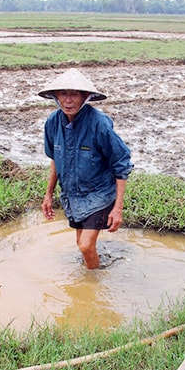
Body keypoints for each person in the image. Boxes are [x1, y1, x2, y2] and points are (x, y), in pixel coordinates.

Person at [39, 68, 134, 270]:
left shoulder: (99, 124)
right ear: (56, 96)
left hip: (99, 194)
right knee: (82, 245)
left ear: (85, 97)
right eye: (64, 94)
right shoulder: (53, 123)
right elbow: (55, 159)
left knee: (85, 245)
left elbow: (121, 163)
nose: (68, 100)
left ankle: (93, 285)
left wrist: (117, 209)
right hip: (72, 195)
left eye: (74, 94)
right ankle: (94, 269)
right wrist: (48, 195)